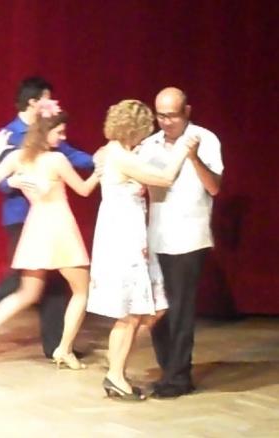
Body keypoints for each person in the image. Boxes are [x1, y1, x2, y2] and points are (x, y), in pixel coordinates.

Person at [0, 77, 93, 360]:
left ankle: (53, 345)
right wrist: (109, 164)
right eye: (60, 132)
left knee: (38, 290)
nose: (63, 137)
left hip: (36, 224)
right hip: (39, 223)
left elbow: (71, 155)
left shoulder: (34, 152)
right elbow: (82, 187)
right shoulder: (17, 139)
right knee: (50, 287)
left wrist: (96, 160)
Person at [86, 99, 196, 401]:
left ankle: (116, 367)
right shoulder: (119, 156)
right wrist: (184, 149)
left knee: (154, 307)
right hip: (122, 238)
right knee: (131, 312)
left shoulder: (117, 152)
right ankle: (115, 375)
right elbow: (164, 178)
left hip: (131, 235)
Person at [140, 87, 223, 399]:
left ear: (187, 111)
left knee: (181, 309)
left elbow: (214, 187)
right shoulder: (149, 144)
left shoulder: (205, 139)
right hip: (156, 235)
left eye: (172, 115)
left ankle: (179, 377)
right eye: (160, 115)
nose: (166, 121)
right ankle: (168, 369)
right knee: (158, 308)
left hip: (189, 237)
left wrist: (193, 157)